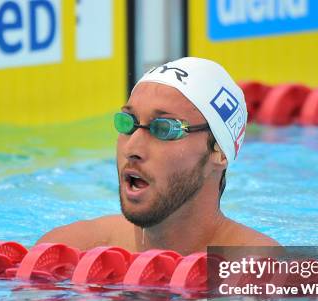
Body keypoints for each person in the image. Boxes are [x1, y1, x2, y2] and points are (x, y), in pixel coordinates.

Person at [37, 57, 278, 255]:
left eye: (164, 129)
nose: (133, 149)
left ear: (219, 151)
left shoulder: (268, 269)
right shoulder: (71, 249)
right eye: (129, 124)